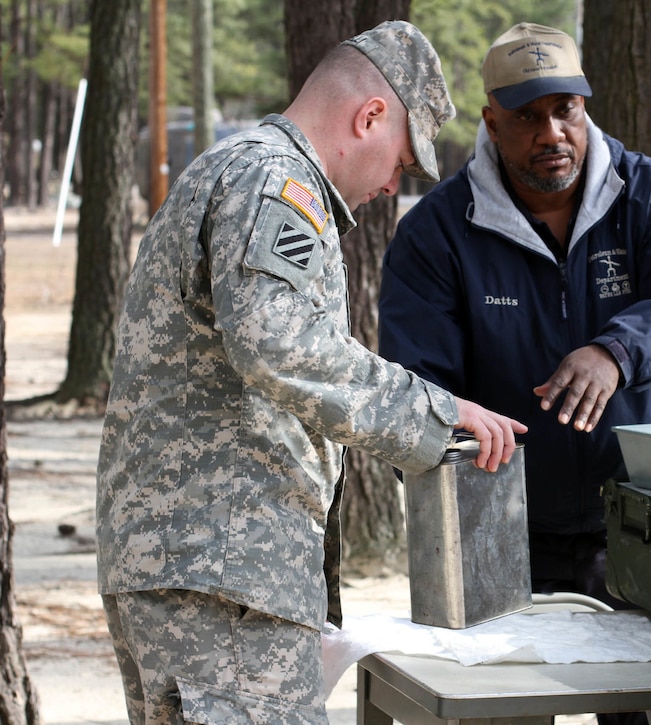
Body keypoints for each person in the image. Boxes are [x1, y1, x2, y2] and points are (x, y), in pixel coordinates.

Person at [96, 21, 526, 725]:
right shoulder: (275, 181)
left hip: (200, 569)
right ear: (369, 116)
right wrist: (435, 415)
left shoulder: (233, 168)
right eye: (402, 159)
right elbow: (281, 343)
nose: (393, 183)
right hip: (224, 578)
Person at [378, 22, 651, 725]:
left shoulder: (650, 196)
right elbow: (418, 386)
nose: (552, 132)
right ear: (490, 121)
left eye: (565, 108)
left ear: (585, 106)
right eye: (527, 116)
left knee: (642, 712)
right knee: (505, 712)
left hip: (638, 521)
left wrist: (617, 349)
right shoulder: (438, 232)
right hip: (501, 532)